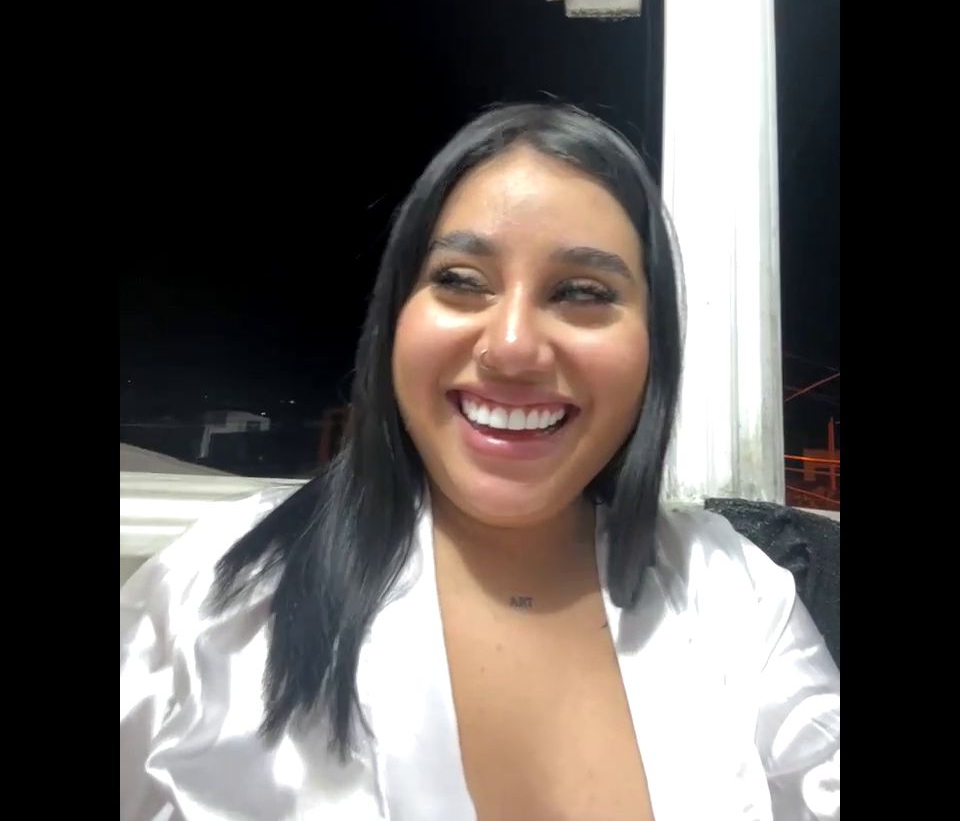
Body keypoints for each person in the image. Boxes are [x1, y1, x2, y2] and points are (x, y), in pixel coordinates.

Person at [121, 103, 840, 820]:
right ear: (395, 318)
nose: (512, 346)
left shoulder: (735, 596)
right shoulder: (212, 596)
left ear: (655, 347)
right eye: (462, 281)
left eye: (582, 292)